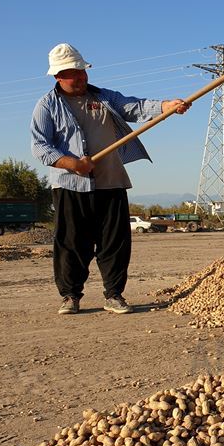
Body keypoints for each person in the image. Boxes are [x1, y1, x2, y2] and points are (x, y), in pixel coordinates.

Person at [31, 43, 190, 315]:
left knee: (115, 242)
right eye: (73, 74)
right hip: (70, 185)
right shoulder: (47, 106)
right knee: (72, 244)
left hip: (111, 181)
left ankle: (114, 295)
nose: (81, 77)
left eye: (82, 71)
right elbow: (40, 146)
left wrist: (166, 106)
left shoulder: (104, 97)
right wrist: (72, 164)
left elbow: (135, 107)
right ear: (58, 77)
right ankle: (70, 296)